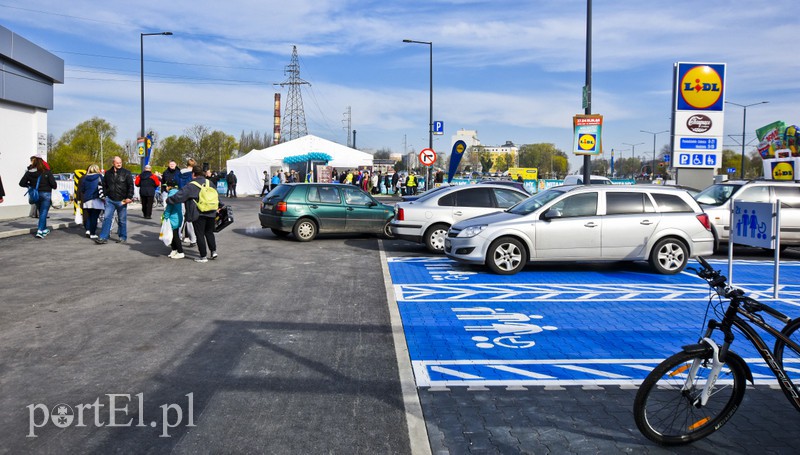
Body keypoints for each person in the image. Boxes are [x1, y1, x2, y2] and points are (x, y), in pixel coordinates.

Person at [167, 165, 219, 263]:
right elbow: (216, 196)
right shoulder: (210, 182)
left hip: (198, 212)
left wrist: (169, 200)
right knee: (209, 232)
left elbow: (180, 196)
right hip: (212, 211)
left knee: (199, 234)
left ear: (193, 174)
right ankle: (213, 251)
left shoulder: (191, 185)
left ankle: (203, 256)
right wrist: (219, 206)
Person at [95, 156, 134, 245]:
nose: (119, 164)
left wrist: (129, 197)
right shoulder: (108, 173)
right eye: (117, 162)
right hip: (110, 200)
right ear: (113, 163)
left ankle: (122, 237)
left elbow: (131, 186)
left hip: (122, 200)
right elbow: (104, 185)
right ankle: (103, 237)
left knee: (122, 219)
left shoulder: (126, 173)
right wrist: (105, 196)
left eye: (120, 162)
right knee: (107, 218)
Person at [19, 156, 57, 238]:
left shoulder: (29, 172)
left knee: (41, 212)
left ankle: (44, 229)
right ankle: (40, 230)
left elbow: (21, 183)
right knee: (43, 213)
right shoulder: (47, 172)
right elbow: (54, 185)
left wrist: (30, 185)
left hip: (36, 195)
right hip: (46, 194)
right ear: (42, 162)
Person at [79, 164, 104, 239]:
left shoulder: (85, 178)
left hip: (87, 199)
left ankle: (88, 230)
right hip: (96, 199)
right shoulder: (100, 177)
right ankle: (92, 233)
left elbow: (82, 189)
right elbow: (104, 186)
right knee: (94, 217)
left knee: (89, 216)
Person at [162, 180, 185, 259]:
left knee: (175, 236)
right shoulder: (178, 193)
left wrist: (165, 217)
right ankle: (174, 250)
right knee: (173, 234)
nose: (166, 188)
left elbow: (169, 208)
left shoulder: (171, 195)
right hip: (178, 217)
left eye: (166, 186)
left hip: (172, 218)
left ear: (169, 187)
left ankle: (180, 252)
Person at [178, 159, 197, 246]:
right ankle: (192, 238)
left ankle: (178, 235)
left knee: (180, 217)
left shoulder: (179, 173)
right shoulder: (192, 175)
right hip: (190, 197)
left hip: (181, 195)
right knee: (189, 219)